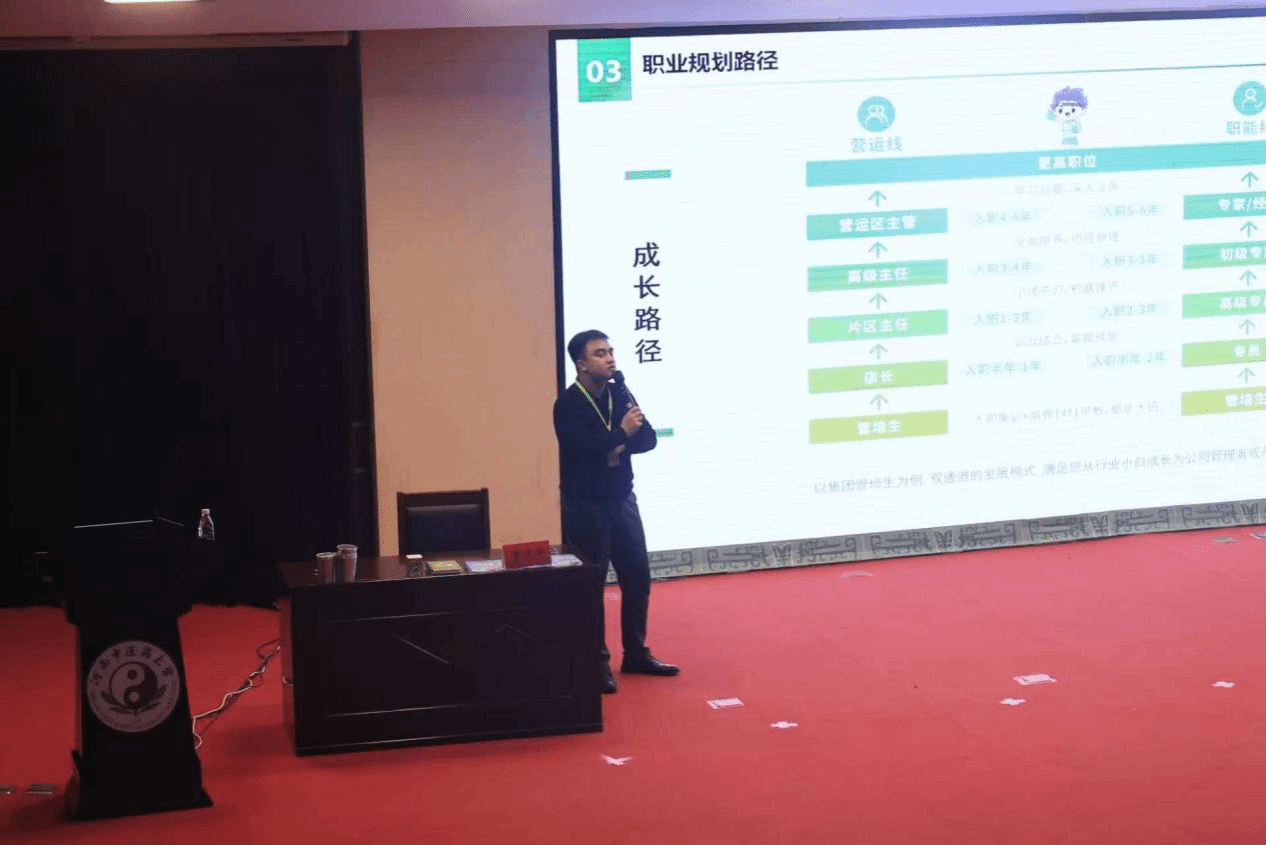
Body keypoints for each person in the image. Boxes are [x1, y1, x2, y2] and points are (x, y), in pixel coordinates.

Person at [553, 330, 679, 694]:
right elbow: (580, 449)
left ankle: (636, 653)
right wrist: (621, 435)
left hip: (623, 500)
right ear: (581, 364)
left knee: (637, 577)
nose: (609, 358)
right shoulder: (568, 404)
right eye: (599, 353)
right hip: (586, 505)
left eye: (610, 351)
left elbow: (648, 438)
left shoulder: (620, 393)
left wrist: (618, 441)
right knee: (592, 586)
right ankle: (596, 663)